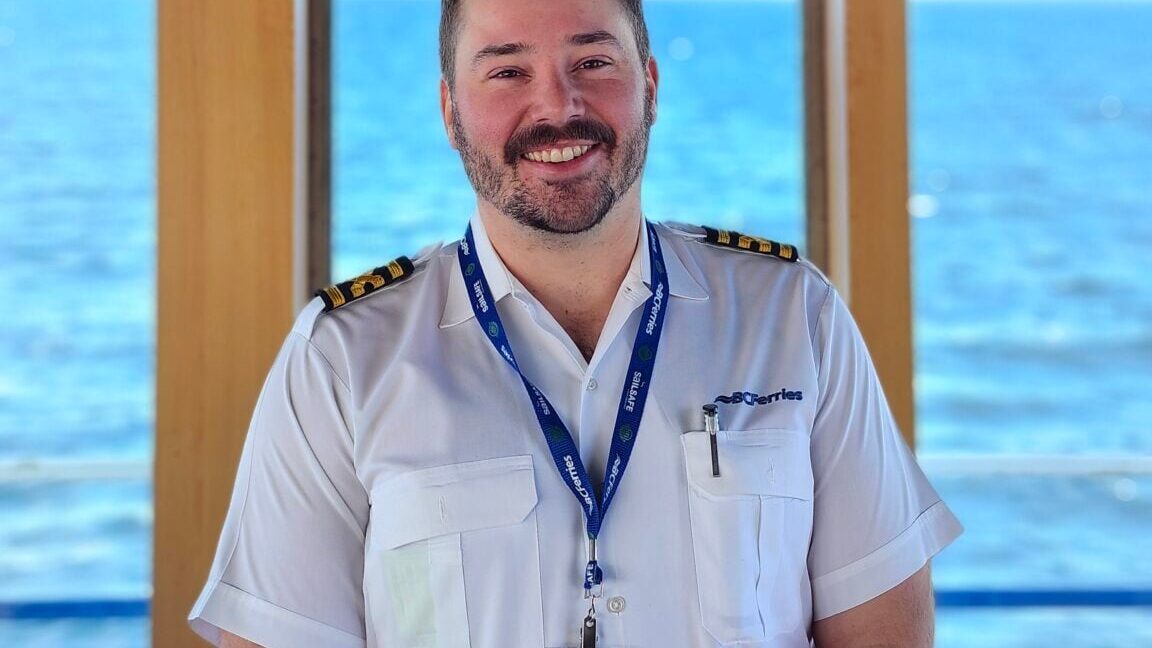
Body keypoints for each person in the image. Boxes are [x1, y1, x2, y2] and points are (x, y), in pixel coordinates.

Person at [189, 0, 962, 645]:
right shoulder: (343, 359)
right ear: (450, 111)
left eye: (593, 62)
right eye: (507, 71)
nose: (558, 107)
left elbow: (883, 631)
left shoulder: (792, 317)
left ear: (649, 86)